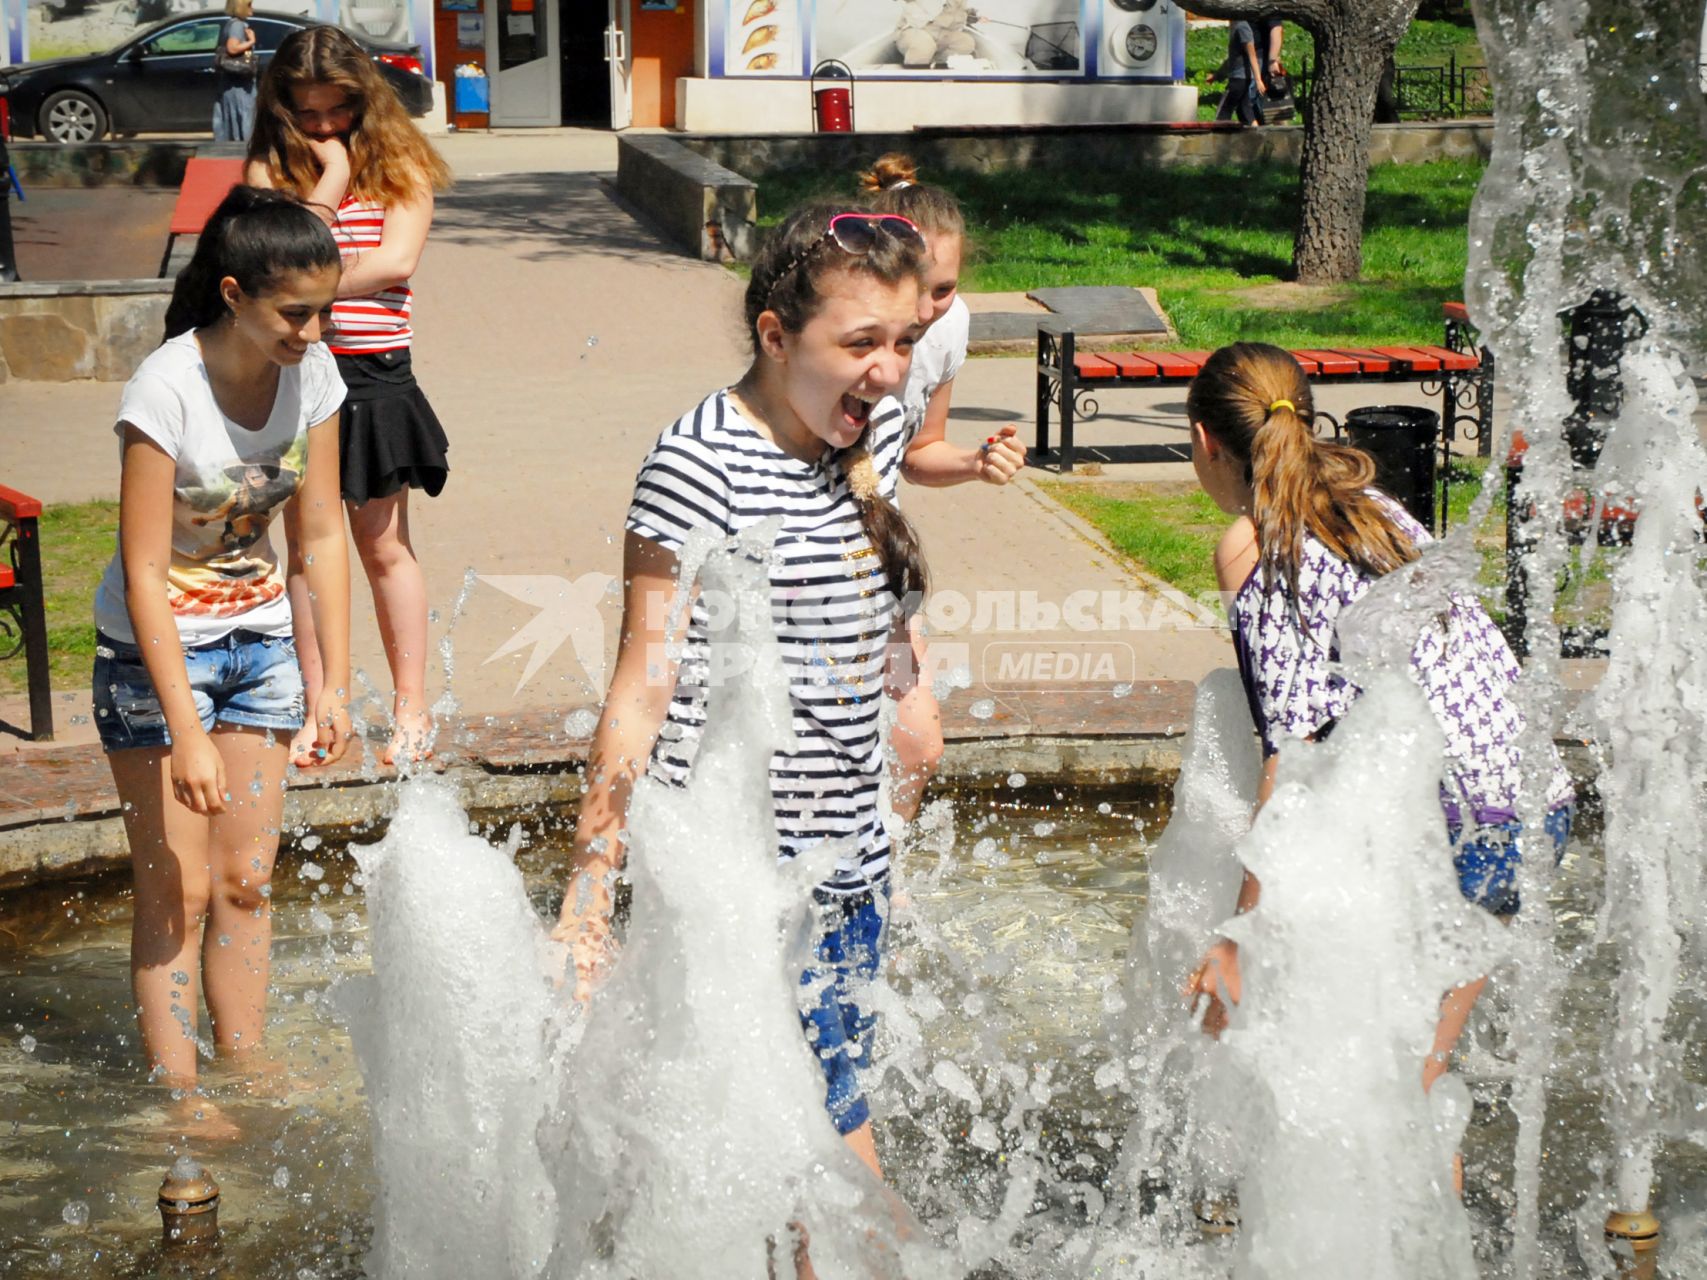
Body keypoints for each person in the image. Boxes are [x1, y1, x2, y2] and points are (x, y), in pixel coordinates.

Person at [555, 203, 930, 1188]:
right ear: (776, 334)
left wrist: (911, 685)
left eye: (904, 341)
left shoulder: (870, 428)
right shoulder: (695, 462)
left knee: (804, 1139)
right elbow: (643, 679)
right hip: (744, 880)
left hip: (848, 867)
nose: (890, 370)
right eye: (861, 343)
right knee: (822, 1151)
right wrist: (591, 893)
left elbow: (885, 565)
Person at [1178, 343, 1575, 1185]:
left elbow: (1286, 760)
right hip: (1537, 806)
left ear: (1206, 443)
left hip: (1463, 827)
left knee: (1383, 1098)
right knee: (1407, 1081)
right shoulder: (1373, 509)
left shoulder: (1258, 554)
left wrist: (1238, 937)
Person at [93, 185, 353, 1094]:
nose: (313, 332)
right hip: (153, 660)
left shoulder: (314, 375)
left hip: (260, 651)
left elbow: (320, 535)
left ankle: (246, 1069)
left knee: (247, 882)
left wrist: (331, 684)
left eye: (326, 309)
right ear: (235, 294)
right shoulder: (164, 390)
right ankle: (181, 1098)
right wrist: (186, 730)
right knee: (180, 890)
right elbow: (141, 574)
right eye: (294, 312)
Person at [245, 25, 453, 766]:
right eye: (309, 112)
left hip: (372, 374)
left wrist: (311, 268)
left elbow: (396, 259)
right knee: (304, 551)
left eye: (339, 109)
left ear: (366, 99)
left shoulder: (402, 163)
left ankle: (411, 707)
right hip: (293, 374)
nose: (326, 125)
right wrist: (328, 187)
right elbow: (272, 263)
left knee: (383, 546)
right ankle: (322, 705)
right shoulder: (272, 165)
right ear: (283, 106)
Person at [860, 153, 1026, 826]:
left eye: (944, 288)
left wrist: (974, 463)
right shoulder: (835, 335)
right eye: (917, 286)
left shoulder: (949, 327)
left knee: (918, 746)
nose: (929, 308)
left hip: (881, 554)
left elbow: (917, 448)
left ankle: (882, 881)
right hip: (804, 565)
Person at [212, 0, 258, 144]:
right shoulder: (237, 25)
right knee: (244, 115)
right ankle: (242, 150)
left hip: (233, 82)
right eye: (249, 5)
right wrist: (251, 41)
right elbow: (232, 48)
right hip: (238, 84)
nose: (252, 8)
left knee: (236, 118)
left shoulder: (232, 24)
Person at [1206, 18, 1266, 126]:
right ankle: (1257, 137)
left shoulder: (1242, 27)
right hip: (1242, 78)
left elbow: (1252, 55)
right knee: (1245, 112)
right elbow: (1231, 60)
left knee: (1223, 112)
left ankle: (1221, 140)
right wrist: (1217, 76)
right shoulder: (1237, 26)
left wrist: (1258, 80)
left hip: (1239, 79)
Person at [893, 0, 978, 68]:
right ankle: (914, 78)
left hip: (940, 31)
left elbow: (956, 15)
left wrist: (970, 16)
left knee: (966, 43)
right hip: (913, 29)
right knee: (924, 45)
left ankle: (933, 64)